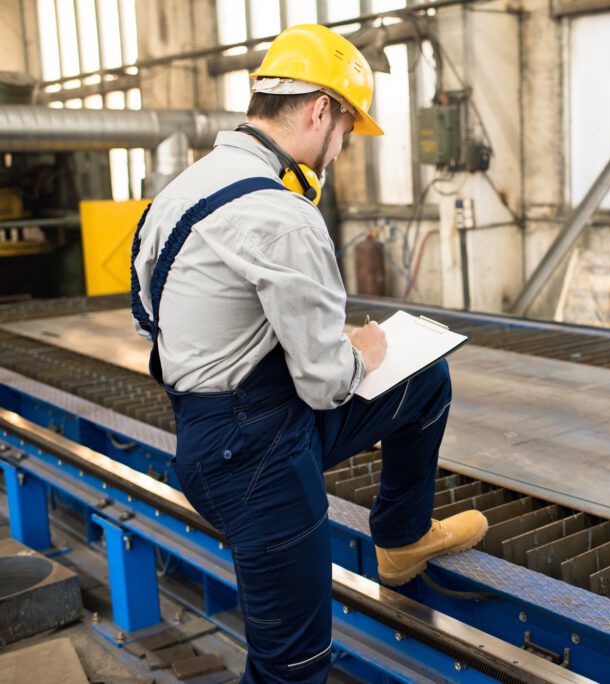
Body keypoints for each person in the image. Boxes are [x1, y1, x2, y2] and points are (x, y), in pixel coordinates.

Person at [129, 24, 487, 683]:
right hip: (255, 462)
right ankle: (394, 538)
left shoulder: (180, 192)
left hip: (212, 429)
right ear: (322, 110)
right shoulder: (282, 213)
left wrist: (295, 347)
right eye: (347, 130)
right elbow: (326, 387)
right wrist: (364, 350)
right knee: (294, 666)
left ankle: (402, 540)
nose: (342, 149)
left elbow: (151, 316)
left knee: (425, 380)